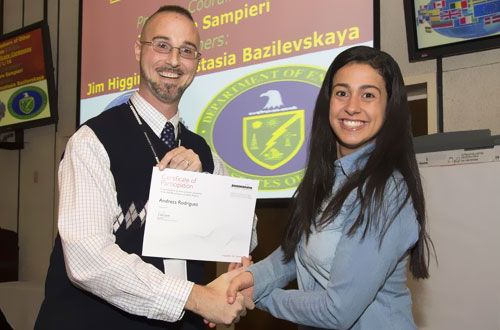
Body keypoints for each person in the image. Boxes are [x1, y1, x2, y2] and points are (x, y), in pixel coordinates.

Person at [35, 5, 256, 330]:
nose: (174, 60)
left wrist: (206, 186)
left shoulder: (204, 153)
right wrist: (195, 298)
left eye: (187, 50)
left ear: (198, 62)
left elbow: (247, 235)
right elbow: (87, 259)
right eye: (162, 45)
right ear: (139, 49)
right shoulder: (92, 140)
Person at [226, 46, 433, 329]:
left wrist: (258, 295)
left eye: (368, 95)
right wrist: (247, 278)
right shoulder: (327, 178)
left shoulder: (386, 191)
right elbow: (295, 255)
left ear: (389, 107)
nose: (352, 106)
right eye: (342, 92)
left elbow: (338, 310)